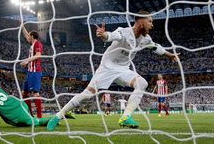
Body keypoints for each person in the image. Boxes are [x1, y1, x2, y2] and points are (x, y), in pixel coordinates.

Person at [46, 10, 179, 131]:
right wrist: (103, 34)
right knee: (88, 94)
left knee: (142, 83)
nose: (152, 25)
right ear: (140, 22)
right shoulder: (124, 31)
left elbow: (156, 48)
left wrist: (170, 55)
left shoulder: (146, 39)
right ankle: (58, 116)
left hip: (123, 69)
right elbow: (112, 36)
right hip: (107, 67)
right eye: (149, 21)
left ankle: (125, 117)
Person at [20, 23, 43, 118]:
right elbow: (26, 35)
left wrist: (26, 60)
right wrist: (22, 27)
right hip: (30, 72)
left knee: (35, 93)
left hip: (35, 72)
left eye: (29, 36)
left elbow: (38, 55)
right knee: (24, 93)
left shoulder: (37, 44)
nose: (27, 37)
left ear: (32, 36)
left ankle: (39, 117)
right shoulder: (32, 44)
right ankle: (30, 114)